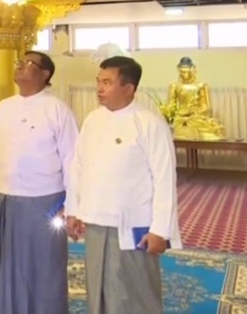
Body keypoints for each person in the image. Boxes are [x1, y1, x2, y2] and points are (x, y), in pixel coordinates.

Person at [66, 56, 181, 314]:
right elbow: (78, 167)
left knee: (134, 294)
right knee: (98, 290)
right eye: (98, 82)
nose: (100, 88)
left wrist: (160, 230)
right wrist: (74, 210)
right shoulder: (92, 120)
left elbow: (164, 179)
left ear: (128, 88)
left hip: (134, 225)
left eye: (107, 82)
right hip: (96, 220)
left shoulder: (149, 123)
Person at [0, 51, 78, 314]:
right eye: (19, 62)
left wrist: (72, 204)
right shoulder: (3, 107)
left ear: (45, 74)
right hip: (6, 199)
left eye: (28, 63)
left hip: (44, 202)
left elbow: (72, 160)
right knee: (7, 264)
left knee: (43, 265)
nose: (20, 66)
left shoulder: (57, 109)